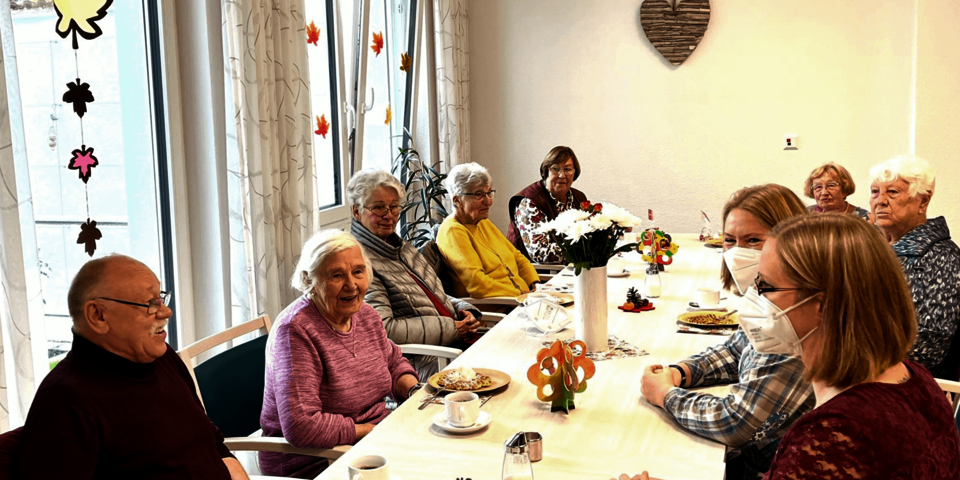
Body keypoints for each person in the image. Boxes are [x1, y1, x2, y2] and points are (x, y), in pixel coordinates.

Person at [623, 214, 960, 480]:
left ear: (824, 303)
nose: (753, 299)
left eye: (766, 286)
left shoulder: (833, 437)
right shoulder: (914, 379)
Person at [16, 255, 248, 480]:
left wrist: (232, 466)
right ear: (98, 315)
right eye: (150, 304)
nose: (166, 312)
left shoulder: (161, 357)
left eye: (161, 299)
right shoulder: (65, 400)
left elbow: (210, 438)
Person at [641, 184, 811, 478]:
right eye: (730, 240)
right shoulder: (767, 298)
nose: (737, 253)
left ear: (791, 239)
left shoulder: (796, 318)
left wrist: (666, 395)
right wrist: (682, 372)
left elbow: (736, 423)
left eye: (753, 240)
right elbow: (737, 349)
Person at [260, 230, 418, 478]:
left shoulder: (365, 314)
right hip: (319, 459)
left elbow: (393, 362)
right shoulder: (295, 331)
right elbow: (302, 426)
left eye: (358, 271)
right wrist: (370, 430)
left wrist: (414, 392)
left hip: (372, 435)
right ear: (309, 280)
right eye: (336, 275)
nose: (351, 284)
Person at [347, 169, 482, 378]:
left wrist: (463, 309)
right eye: (378, 207)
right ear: (357, 211)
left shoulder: (400, 247)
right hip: (425, 361)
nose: (388, 215)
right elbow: (384, 329)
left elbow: (434, 296)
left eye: (393, 207)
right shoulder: (359, 262)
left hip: (453, 344)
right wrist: (451, 328)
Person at [869, 155, 960, 380]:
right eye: (874, 191)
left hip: (905, 387)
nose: (879, 201)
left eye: (892, 192)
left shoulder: (938, 256)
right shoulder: (878, 249)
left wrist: (859, 360)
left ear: (923, 201)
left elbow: (929, 343)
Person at [437, 162, 541, 298]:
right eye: (479, 195)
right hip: (499, 307)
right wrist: (519, 294)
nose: (488, 201)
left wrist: (535, 284)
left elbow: (517, 257)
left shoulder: (482, 222)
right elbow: (478, 284)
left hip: (522, 299)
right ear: (457, 200)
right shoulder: (452, 231)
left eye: (489, 193)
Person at [507, 146, 589, 263]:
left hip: (570, 269)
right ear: (546, 171)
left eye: (567, 169)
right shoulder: (530, 202)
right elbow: (541, 253)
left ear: (574, 173)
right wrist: (588, 250)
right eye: (555, 169)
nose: (562, 175)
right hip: (535, 275)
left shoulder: (578, 197)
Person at [802, 162, 871, 220]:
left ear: (845, 189)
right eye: (818, 187)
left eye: (831, 185)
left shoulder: (863, 219)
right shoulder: (805, 215)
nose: (824, 193)